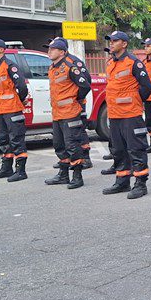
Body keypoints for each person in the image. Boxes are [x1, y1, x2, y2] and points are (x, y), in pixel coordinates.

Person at [102, 31, 151, 199]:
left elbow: (147, 87)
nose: (111, 43)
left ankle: (140, 183)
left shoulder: (134, 63)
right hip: (115, 115)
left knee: (136, 149)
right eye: (110, 40)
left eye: (115, 41)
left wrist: (134, 101)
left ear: (124, 44)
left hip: (131, 114)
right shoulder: (111, 63)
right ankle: (122, 180)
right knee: (118, 150)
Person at [44, 37, 91, 189]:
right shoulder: (52, 67)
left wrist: (76, 99)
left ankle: (77, 176)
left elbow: (85, 85)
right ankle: (63, 175)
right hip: (57, 113)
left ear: (62, 52)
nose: (49, 51)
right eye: (49, 48)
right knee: (59, 145)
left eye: (53, 49)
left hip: (70, 112)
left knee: (72, 145)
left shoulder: (70, 65)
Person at [0, 38, 30, 182]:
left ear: (1, 50)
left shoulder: (10, 65)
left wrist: (20, 99)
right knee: (4, 140)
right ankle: (6, 168)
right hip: (0, 110)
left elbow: (21, 86)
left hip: (12, 108)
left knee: (16, 139)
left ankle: (21, 171)